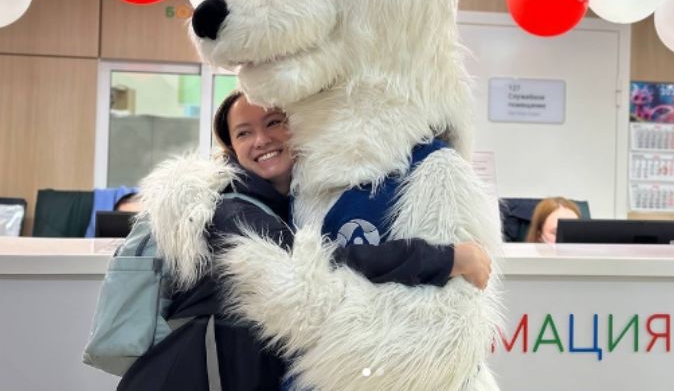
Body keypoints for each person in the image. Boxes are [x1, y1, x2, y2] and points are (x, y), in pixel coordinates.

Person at [117, 91, 492, 391]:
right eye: (244, 132)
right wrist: (445, 259)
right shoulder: (230, 210)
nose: (261, 139)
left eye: (273, 122)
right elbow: (316, 267)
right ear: (231, 148)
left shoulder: (287, 204)